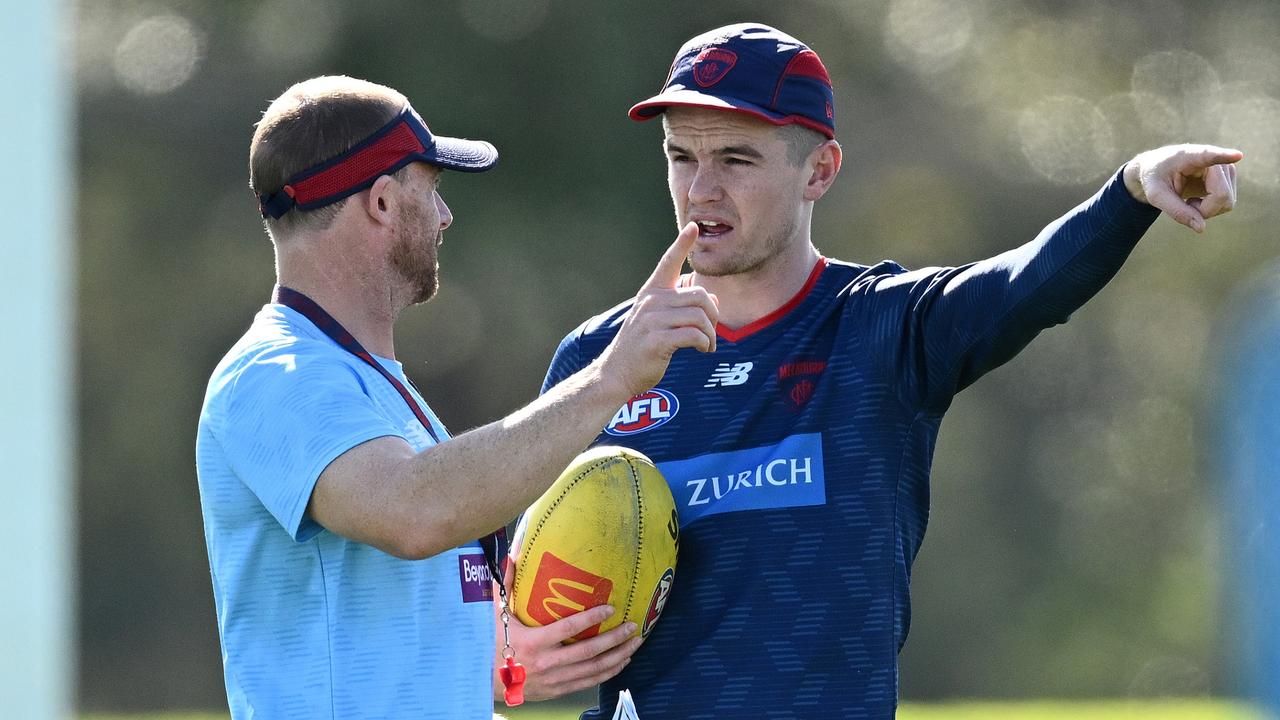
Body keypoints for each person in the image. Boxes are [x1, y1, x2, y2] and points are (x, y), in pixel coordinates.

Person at [535, 23, 1241, 718]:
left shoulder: (884, 329)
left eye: (737, 160)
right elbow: (499, 581)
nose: (701, 189)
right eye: (681, 156)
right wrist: (511, 652)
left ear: (819, 170)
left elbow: (1024, 284)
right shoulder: (600, 359)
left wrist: (1130, 193)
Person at [194, 75, 719, 720]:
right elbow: (412, 510)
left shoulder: (367, 385)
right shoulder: (276, 373)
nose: (445, 216)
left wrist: (487, 664)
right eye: (432, 190)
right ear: (382, 202)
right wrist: (612, 378)